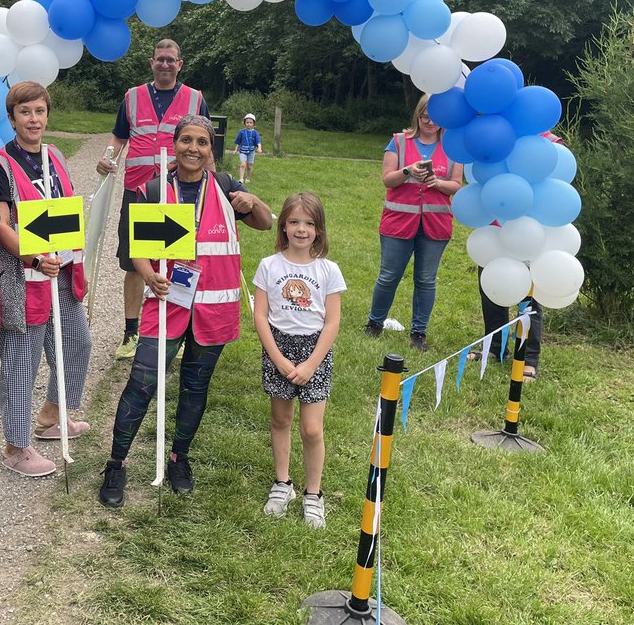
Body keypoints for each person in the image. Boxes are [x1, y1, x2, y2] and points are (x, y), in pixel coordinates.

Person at [98, 115, 271, 508]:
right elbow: (139, 249)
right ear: (174, 144)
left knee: (195, 388)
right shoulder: (156, 189)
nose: (193, 149)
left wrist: (253, 201)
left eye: (202, 143)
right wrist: (147, 275)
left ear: (212, 150)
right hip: (168, 304)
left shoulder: (227, 188)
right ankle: (116, 464)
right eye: (186, 141)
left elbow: (264, 224)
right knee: (140, 385)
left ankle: (179, 460)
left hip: (214, 308)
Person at [0, 82, 92, 478]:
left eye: (40, 111)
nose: (34, 119)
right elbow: (0, 224)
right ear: (12, 118)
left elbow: (66, 211)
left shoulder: (56, 155)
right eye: (25, 112)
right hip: (21, 278)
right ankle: (15, 446)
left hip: (61, 272)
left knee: (77, 343)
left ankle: (51, 416)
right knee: (21, 361)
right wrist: (33, 255)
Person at [95, 39, 208, 360]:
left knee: (180, 261)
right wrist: (107, 157)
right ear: (151, 62)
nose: (165, 65)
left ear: (180, 64)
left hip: (178, 194)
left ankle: (176, 330)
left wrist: (214, 187)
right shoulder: (132, 97)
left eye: (171, 60)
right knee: (134, 263)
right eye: (160, 59)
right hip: (137, 194)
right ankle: (132, 332)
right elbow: (119, 136)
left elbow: (206, 146)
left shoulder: (194, 99)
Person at [253, 192, 345, 528]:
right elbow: (260, 317)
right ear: (283, 226)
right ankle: (283, 484)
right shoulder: (269, 265)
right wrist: (277, 358)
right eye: (294, 222)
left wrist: (310, 364)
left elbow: (332, 322)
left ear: (319, 230)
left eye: (308, 223)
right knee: (280, 419)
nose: (301, 229)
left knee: (311, 428)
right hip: (278, 349)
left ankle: (313, 493)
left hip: (314, 352)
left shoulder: (328, 270)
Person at [364, 95, 463, 352]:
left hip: (436, 224)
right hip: (398, 222)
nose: (430, 122)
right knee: (388, 276)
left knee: (426, 279)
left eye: (435, 118)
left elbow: (456, 184)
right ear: (417, 117)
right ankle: (374, 323)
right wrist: (408, 170)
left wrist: (437, 183)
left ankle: (419, 332)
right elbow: (387, 179)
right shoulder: (399, 141)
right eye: (425, 116)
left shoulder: (453, 146)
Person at [474, 131, 564, 380]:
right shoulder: (500, 134)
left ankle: (528, 357)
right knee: (492, 291)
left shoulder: (551, 142)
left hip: (530, 233)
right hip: (496, 230)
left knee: (529, 299)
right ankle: (494, 349)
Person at [233, 113, 263, 182]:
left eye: (250, 123)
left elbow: (258, 141)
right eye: (247, 122)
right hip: (242, 152)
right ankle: (241, 179)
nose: (249, 124)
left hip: (251, 152)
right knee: (243, 164)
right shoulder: (241, 132)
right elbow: (238, 142)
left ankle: (248, 178)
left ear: (253, 124)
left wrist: (259, 148)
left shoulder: (255, 133)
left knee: (249, 166)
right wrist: (235, 149)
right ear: (244, 123)